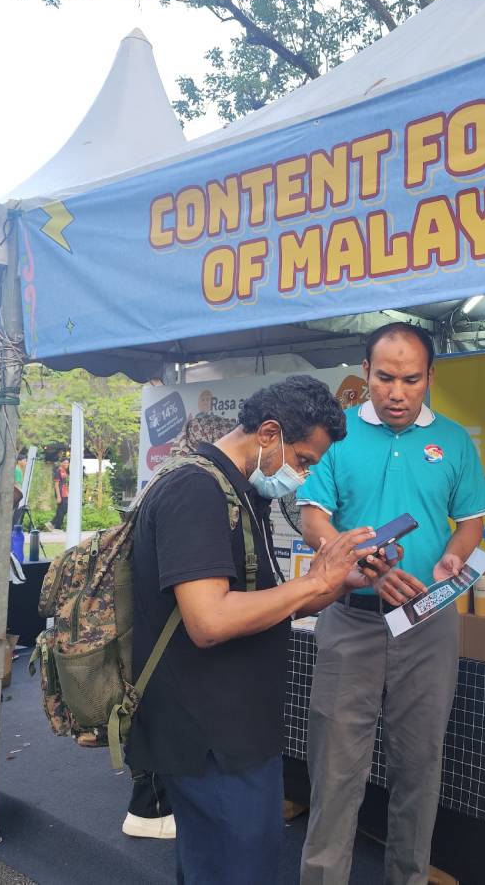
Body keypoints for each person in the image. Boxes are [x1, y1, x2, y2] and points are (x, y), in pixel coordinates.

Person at [128, 375, 381, 884]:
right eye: (303, 460)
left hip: (235, 730)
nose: (303, 476)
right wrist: (316, 582)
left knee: (225, 864)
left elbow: (266, 606)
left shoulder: (238, 493)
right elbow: (210, 620)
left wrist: (336, 583)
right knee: (235, 867)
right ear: (268, 433)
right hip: (210, 737)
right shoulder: (196, 491)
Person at [297, 323, 485, 885]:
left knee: (419, 766)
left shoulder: (453, 441)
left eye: (411, 379)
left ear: (430, 376)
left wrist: (454, 556)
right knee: (335, 769)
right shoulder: (336, 437)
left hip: (428, 624)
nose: (397, 393)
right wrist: (360, 563)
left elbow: (472, 519)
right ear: (365, 372)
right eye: (384, 378)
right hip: (350, 621)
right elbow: (312, 517)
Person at [122, 412, 236, 842]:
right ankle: (147, 810)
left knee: (150, 704)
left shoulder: (164, 477)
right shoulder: (192, 486)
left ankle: (151, 800)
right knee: (159, 709)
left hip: (149, 619)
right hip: (166, 624)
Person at [51, 457, 69, 530]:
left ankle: (53, 524)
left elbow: (64, 483)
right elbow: (56, 485)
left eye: (67, 463)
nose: (66, 464)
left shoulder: (64, 471)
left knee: (62, 510)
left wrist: (67, 493)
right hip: (60, 493)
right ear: (61, 463)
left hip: (65, 493)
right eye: (65, 463)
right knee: (63, 509)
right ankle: (56, 526)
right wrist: (58, 496)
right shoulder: (58, 471)